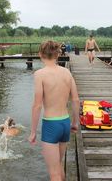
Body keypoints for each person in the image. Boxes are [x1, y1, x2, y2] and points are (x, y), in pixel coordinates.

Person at [28, 40, 80, 181]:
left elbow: (37, 105)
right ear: (58, 54)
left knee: (54, 173)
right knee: (58, 166)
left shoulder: (40, 74)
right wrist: (75, 122)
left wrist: (33, 132)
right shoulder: (66, 73)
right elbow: (75, 100)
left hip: (51, 125)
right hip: (65, 123)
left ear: (40, 54)